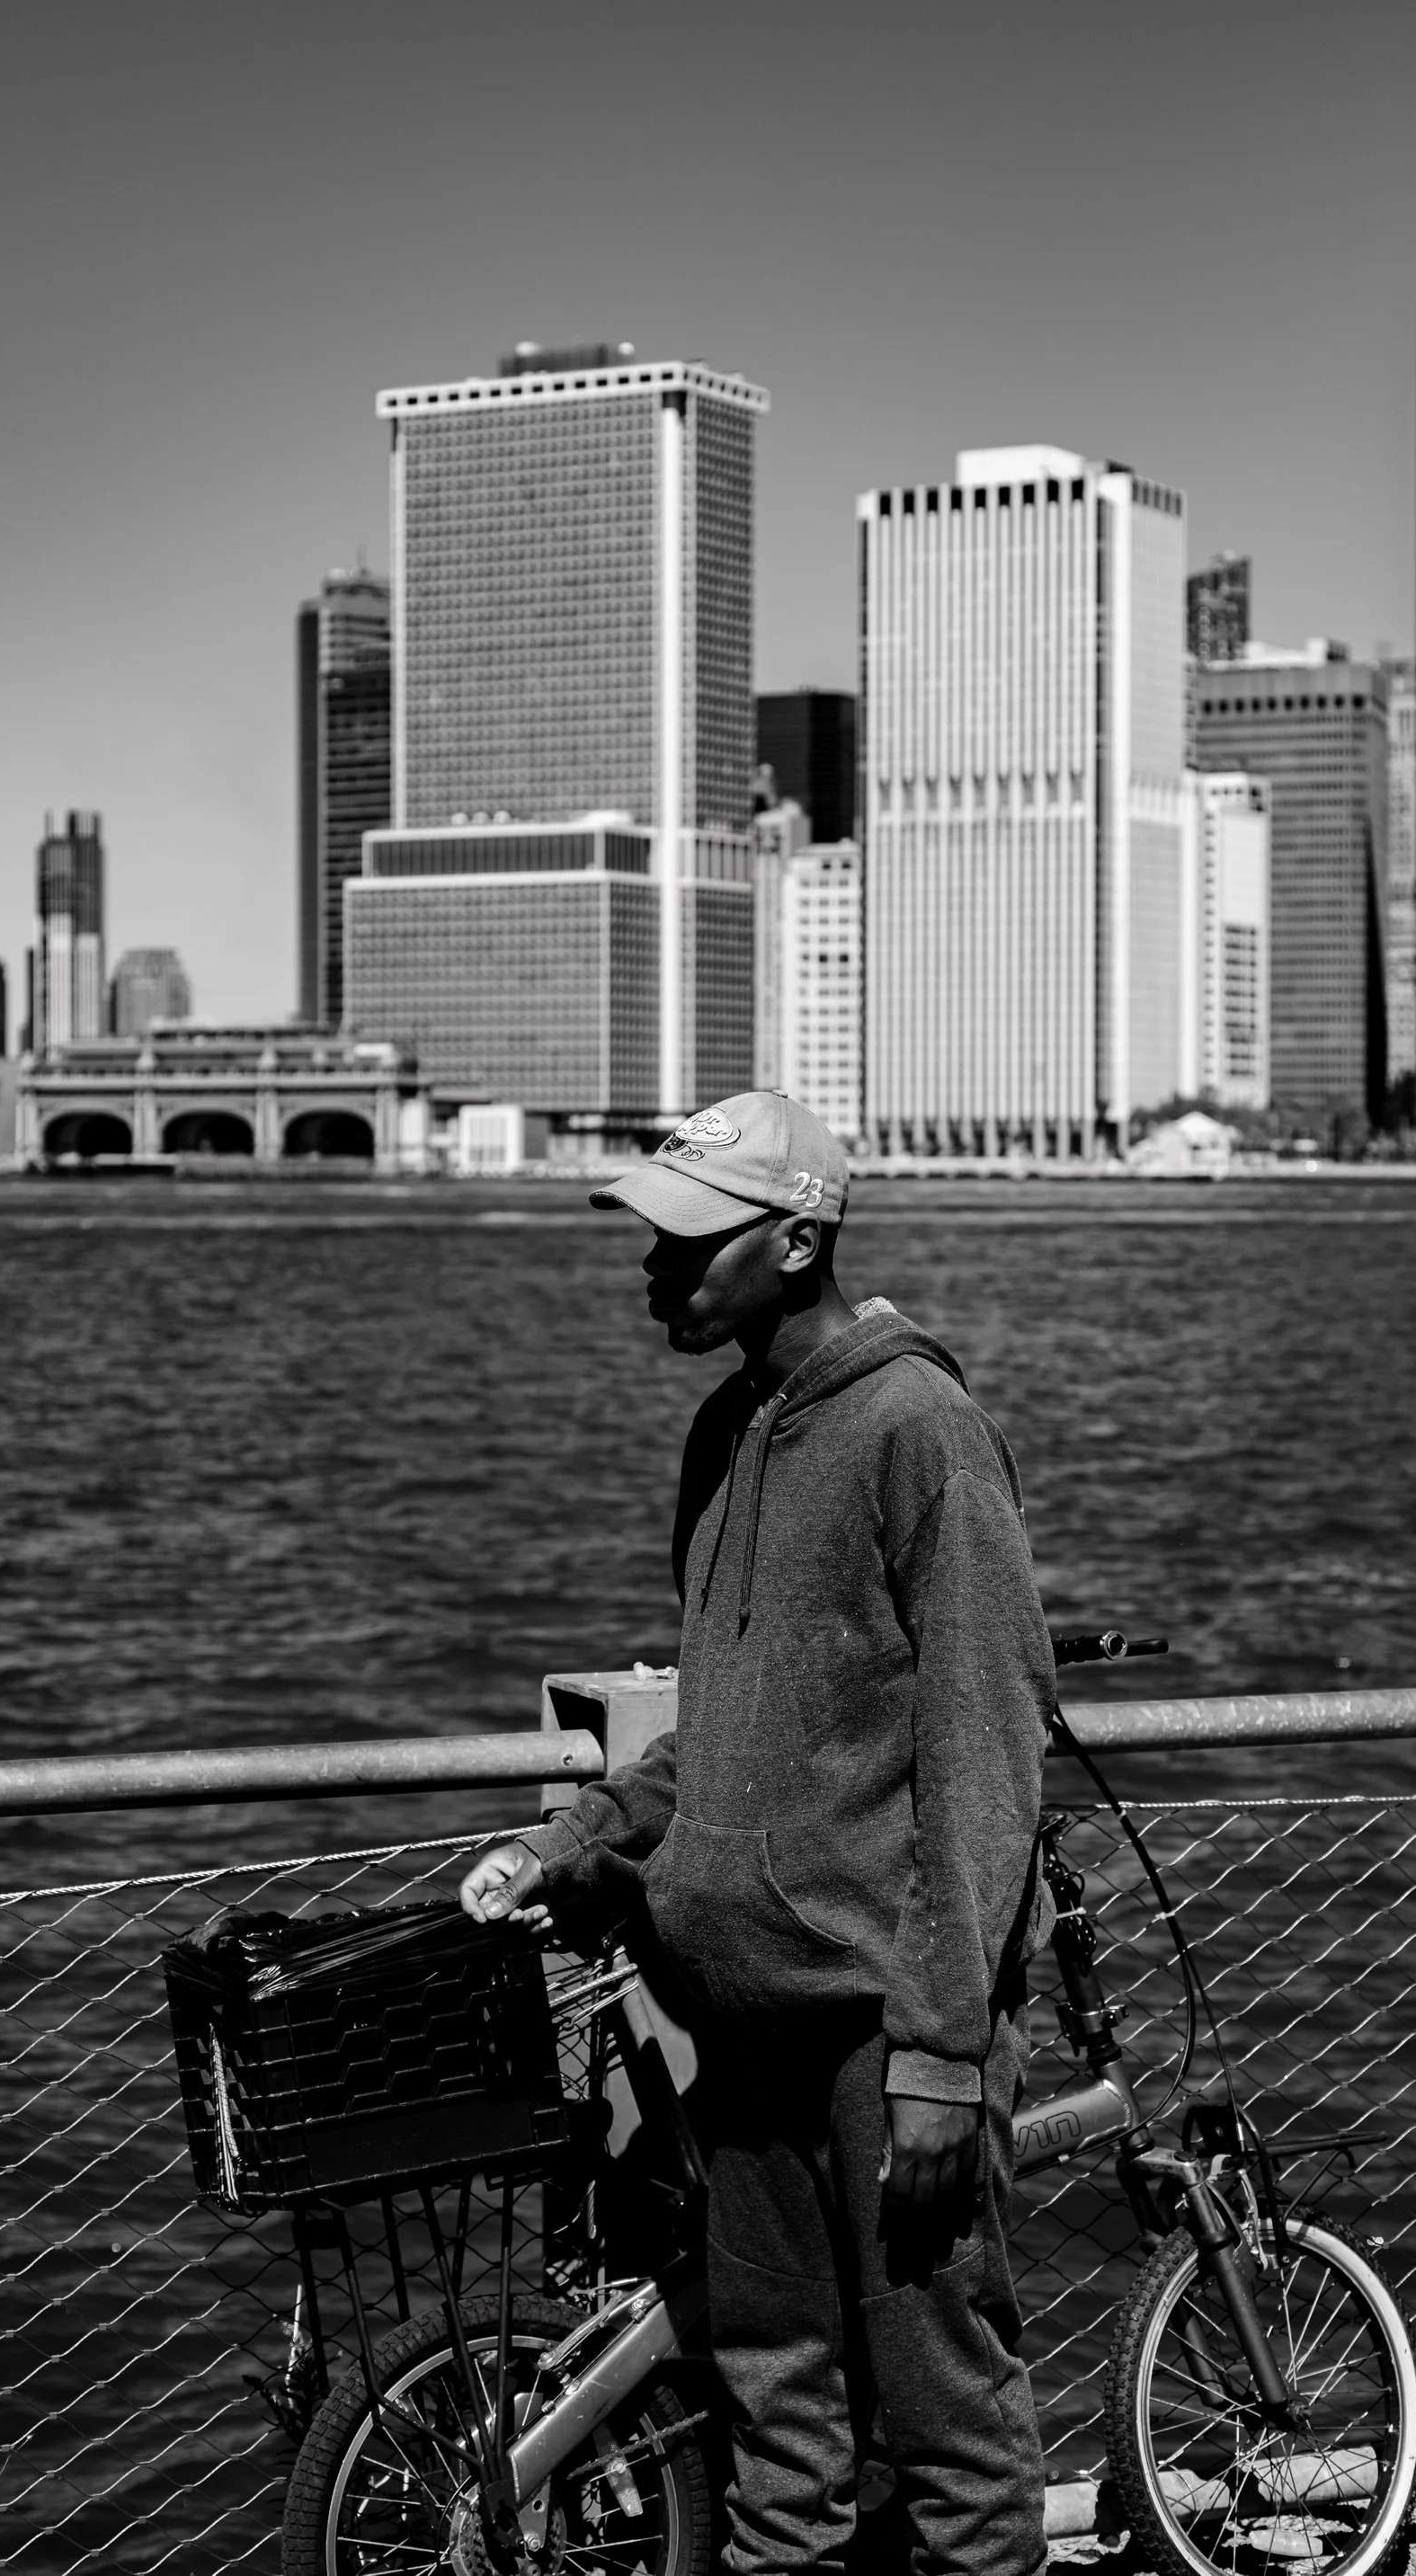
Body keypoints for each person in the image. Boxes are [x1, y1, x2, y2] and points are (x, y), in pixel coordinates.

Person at [461, 1091, 1054, 2576]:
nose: (654, 1265)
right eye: (654, 1237)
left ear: (795, 1242)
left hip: (879, 2027)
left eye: (688, 1240)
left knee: (949, 2429)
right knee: (778, 2433)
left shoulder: (923, 1431)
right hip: (741, 2019)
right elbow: (722, 1730)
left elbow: (986, 1754)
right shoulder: (723, 1435)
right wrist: (584, 1837)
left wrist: (939, 2055)